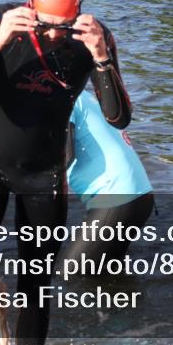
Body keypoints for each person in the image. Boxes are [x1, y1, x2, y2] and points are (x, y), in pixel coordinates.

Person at [0, 0, 132, 345]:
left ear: (79, 12)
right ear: (29, 5)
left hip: (44, 174)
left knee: (37, 284)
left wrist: (101, 58)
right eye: (44, 24)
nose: (51, 35)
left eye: (62, 28)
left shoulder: (94, 37)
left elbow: (119, 118)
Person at [64, 91, 153, 263]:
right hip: (138, 195)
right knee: (105, 273)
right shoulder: (79, 93)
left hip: (117, 199)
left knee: (67, 275)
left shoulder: (61, 98)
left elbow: (64, 156)